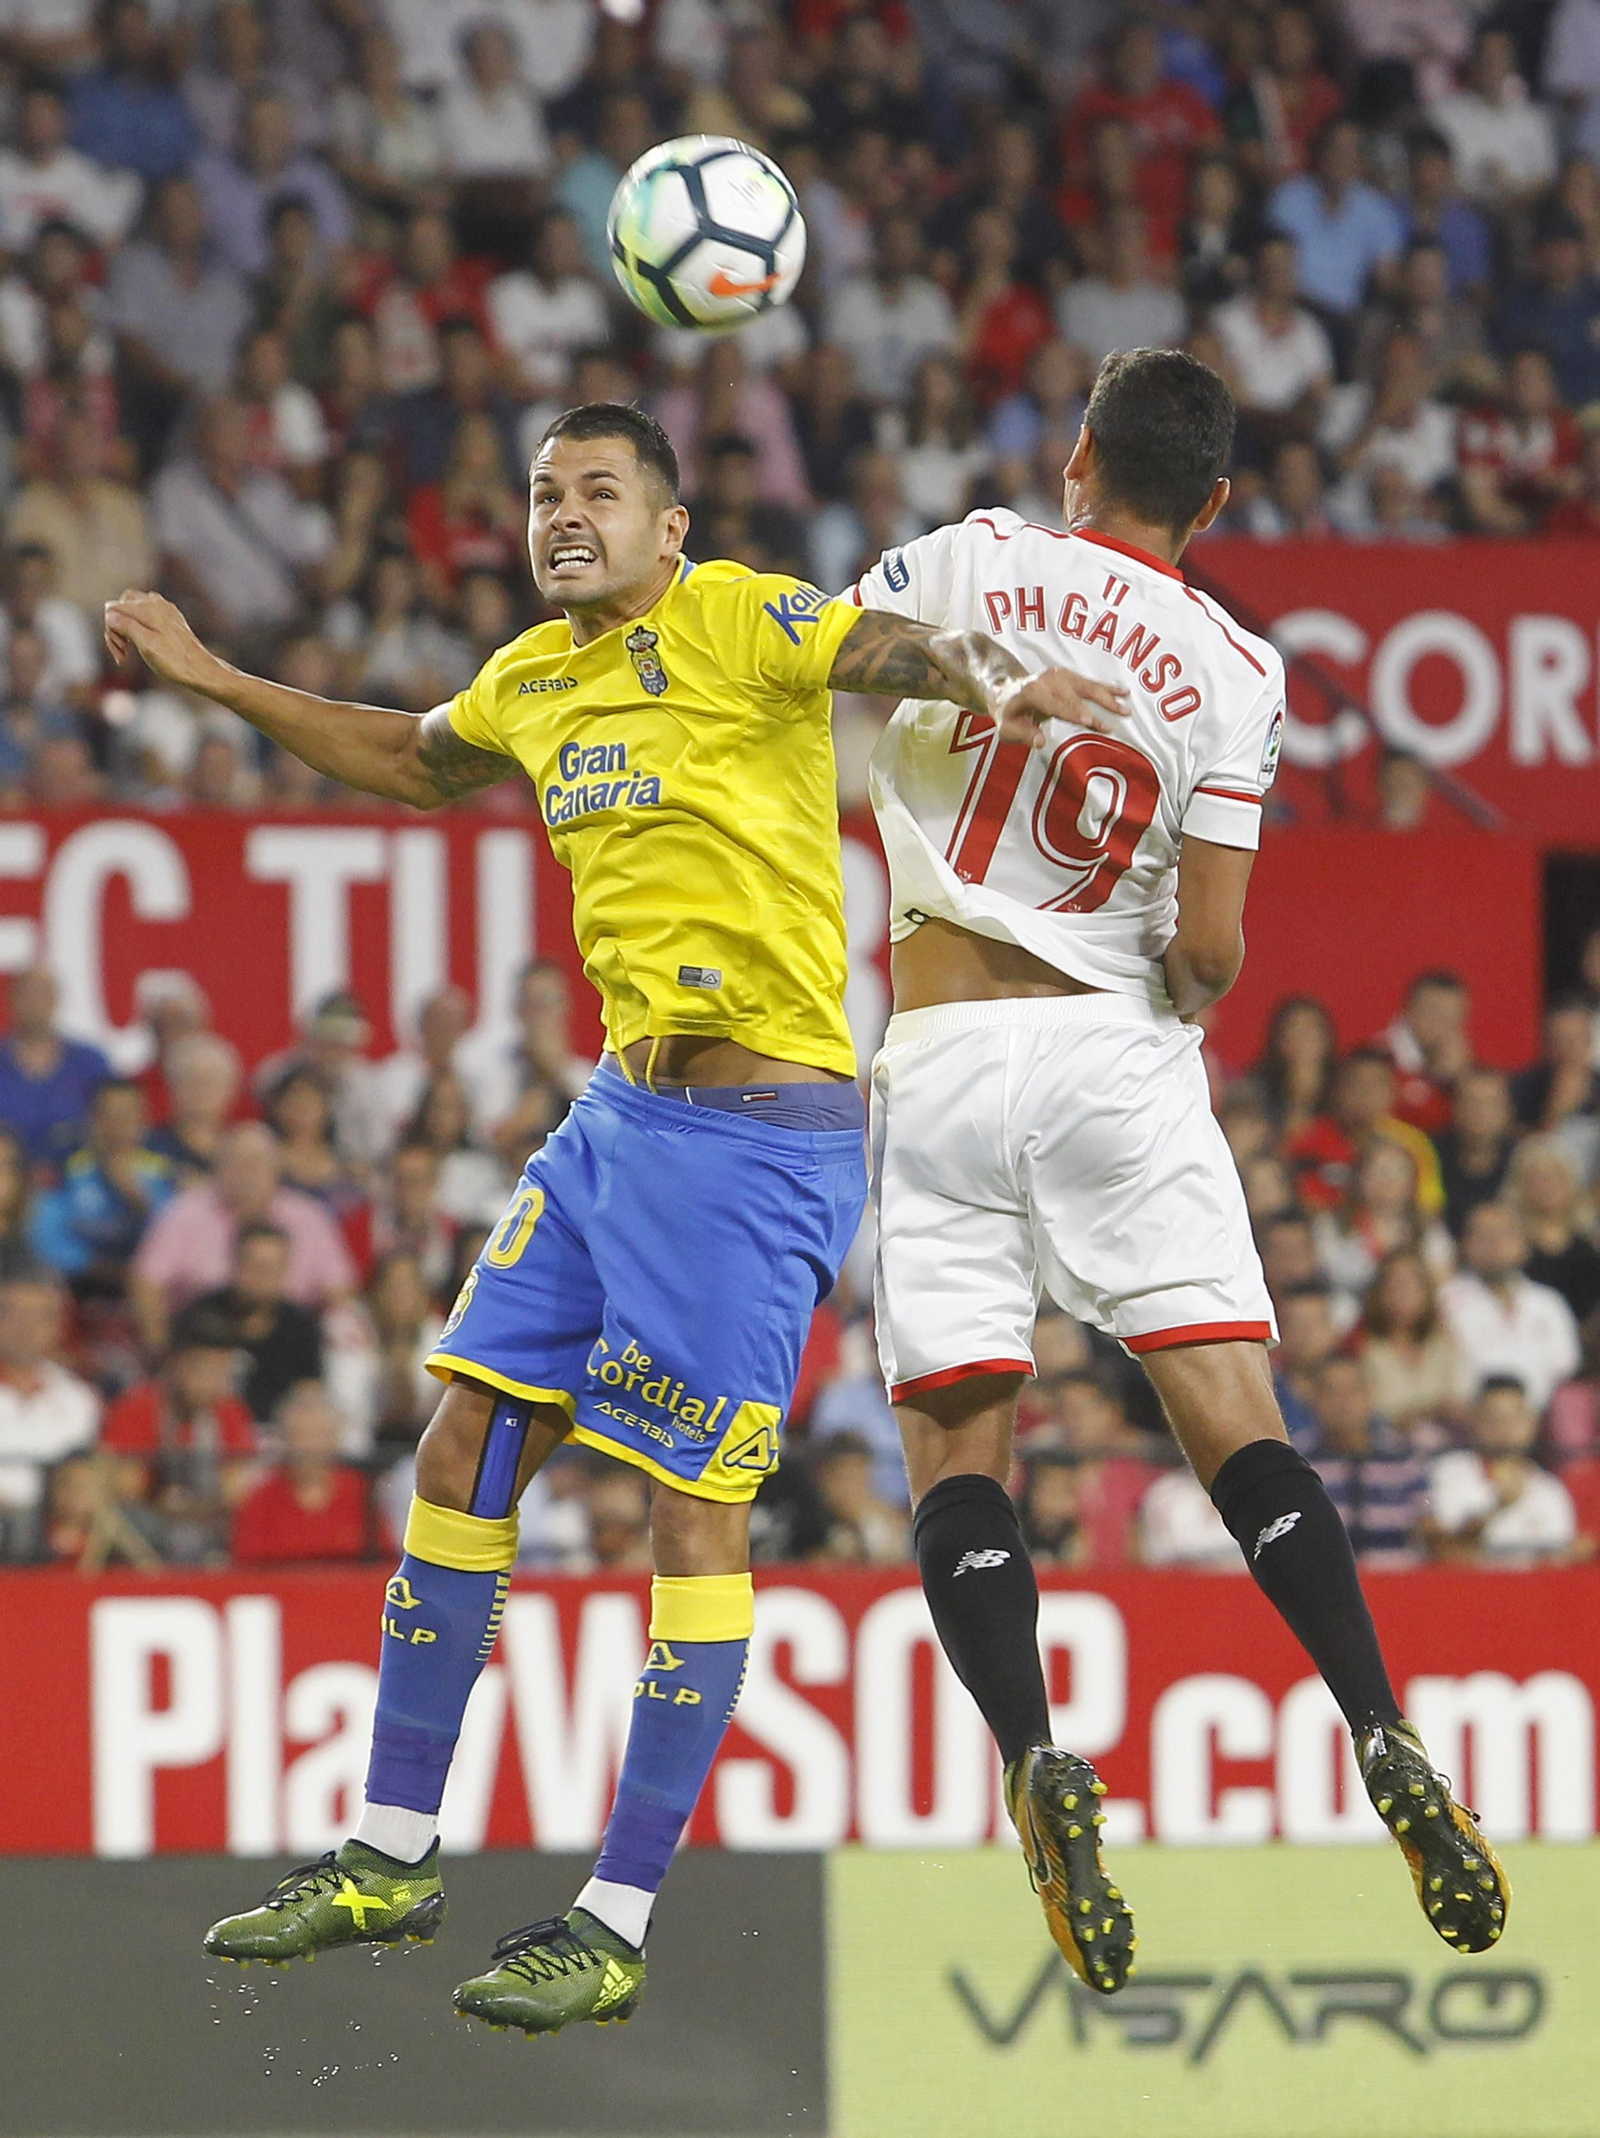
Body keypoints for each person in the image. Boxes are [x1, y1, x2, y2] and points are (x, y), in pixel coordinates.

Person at [105, 400, 1102, 2031]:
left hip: (760, 1143)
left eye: (599, 491)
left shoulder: (739, 617)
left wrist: (1008, 678)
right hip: (619, 1120)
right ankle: (390, 1846)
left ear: (671, 527)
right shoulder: (530, 680)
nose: (564, 513)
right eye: (544, 490)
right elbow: (409, 760)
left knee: (685, 1516)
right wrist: (217, 679)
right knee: (460, 1437)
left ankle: (617, 1917)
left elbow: (896, 648)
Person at [849, 345, 1507, 1988]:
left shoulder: (977, 558)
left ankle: (1035, 1758)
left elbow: (821, 657)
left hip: (936, 1043)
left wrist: (956, 664)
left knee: (960, 1459)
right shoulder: (1234, 667)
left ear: (1078, 458)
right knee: (1235, 1424)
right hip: (1115, 1060)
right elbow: (1211, 951)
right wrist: (1166, 960)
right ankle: (1376, 1723)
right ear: (1213, 500)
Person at [1441, 1201, 1583, 1411]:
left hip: (1542, 1429)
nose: (1495, 1243)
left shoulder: (1549, 1303)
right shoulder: (1444, 1302)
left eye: (1506, 1233)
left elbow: (1565, 1369)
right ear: (1464, 1245)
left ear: (1524, 1245)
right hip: (1467, 1425)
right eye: (1484, 1235)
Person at [1427, 1377, 1580, 1567]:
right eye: (1493, 1417)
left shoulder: (1549, 1489)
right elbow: (1444, 1551)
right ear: (1474, 1419)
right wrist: (1498, 1507)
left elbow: (1560, 1562)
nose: (1504, 1426)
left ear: (1532, 1422)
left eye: (1514, 1417)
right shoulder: (1447, 1474)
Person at [231, 1380, 384, 1565]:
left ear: (335, 1440)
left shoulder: (361, 1493)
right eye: (300, 1436)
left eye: (318, 1436)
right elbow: (245, 1566)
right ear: (284, 1441)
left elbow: (385, 1560)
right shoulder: (262, 1498)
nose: (309, 1448)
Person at [1300, 1353, 1431, 1566]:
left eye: (1352, 1391)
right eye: (1330, 1392)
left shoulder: (1402, 1458)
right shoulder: (1298, 1461)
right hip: (1323, 1584)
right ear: (1313, 1398)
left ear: (1370, 1394)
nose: (1343, 1402)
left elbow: (1426, 1527)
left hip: (1395, 1581)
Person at [187, 1220, 324, 1423]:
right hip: (211, 1433)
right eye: (254, 1265)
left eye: (272, 1267)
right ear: (234, 1264)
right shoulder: (201, 1317)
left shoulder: (301, 1326)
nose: (262, 1276)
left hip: (277, 1438)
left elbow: (310, 1394)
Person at [0, 966, 110, 1170]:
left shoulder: (90, 1063)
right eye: (27, 994)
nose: (34, 1003)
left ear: (56, 999)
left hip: (78, 1181)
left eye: (42, 993)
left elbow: (113, 1123)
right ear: (11, 1000)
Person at [1357, 1248, 1471, 1441]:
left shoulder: (1445, 1342)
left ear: (1426, 1289)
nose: (1403, 1291)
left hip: (1445, 1446)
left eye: (1412, 1282)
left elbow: (1458, 1404)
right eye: (1394, 1282)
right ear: (1379, 1290)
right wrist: (1431, 1410)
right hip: (1385, 1451)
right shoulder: (1365, 1347)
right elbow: (1368, 1413)